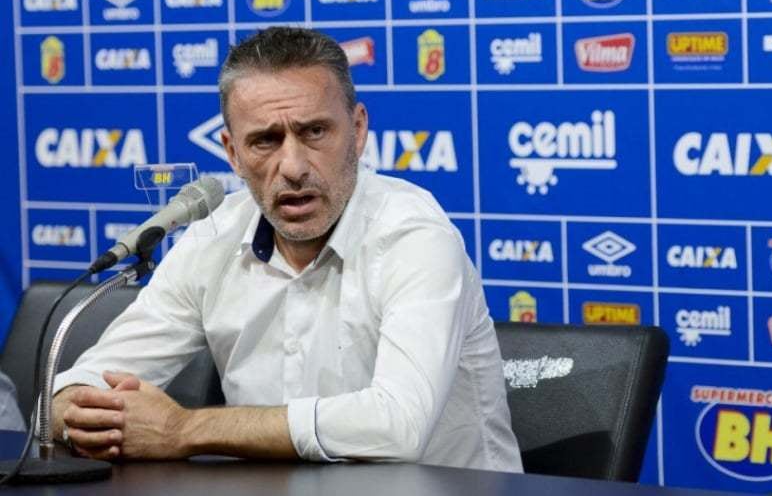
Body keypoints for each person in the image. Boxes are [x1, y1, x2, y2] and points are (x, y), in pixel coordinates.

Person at [51, 27, 522, 472]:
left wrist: (183, 429)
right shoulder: (212, 238)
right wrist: (76, 409)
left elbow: (398, 427)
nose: (293, 167)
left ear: (358, 130)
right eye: (265, 141)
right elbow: (77, 388)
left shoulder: (414, 236)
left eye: (314, 132)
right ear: (232, 153)